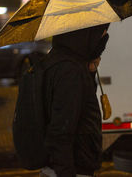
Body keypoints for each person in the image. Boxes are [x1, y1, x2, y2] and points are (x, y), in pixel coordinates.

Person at [40, 24, 110, 177]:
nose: (104, 37)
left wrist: (90, 72)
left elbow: (81, 107)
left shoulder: (62, 61)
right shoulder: (70, 72)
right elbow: (61, 131)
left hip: (65, 167)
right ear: (86, 36)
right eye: (101, 33)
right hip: (71, 169)